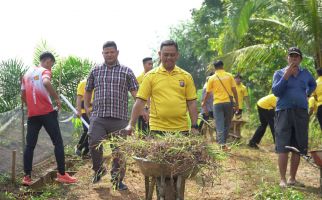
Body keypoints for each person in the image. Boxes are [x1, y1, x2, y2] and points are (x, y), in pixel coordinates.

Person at [84, 41, 138, 190]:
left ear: (117, 53)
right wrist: (86, 106)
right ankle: (98, 169)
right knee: (94, 142)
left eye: (111, 52)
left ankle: (117, 180)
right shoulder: (95, 71)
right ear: (102, 54)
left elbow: (135, 93)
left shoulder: (126, 71)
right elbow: (88, 90)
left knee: (119, 150)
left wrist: (144, 109)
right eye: (106, 52)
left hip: (119, 118)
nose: (109, 55)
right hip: (99, 116)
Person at [21, 52, 77, 186]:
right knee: (57, 142)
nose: (51, 68)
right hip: (46, 112)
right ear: (47, 61)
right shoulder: (44, 71)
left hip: (32, 115)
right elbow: (46, 82)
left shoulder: (26, 74)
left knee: (30, 145)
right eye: (51, 65)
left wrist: (31, 106)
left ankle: (27, 177)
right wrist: (57, 98)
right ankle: (62, 174)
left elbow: (23, 94)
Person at [125, 39, 199, 135]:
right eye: (166, 54)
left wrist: (194, 126)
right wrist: (131, 124)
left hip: (181, 129)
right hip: (157, 129)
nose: (169, 57)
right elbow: (140, 101)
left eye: (172, 55)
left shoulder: (186, 76)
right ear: (160, 54)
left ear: (177, 55)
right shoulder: (150, 76)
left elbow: (192, 103)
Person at [272, 47, 316, 187]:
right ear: (287, 58)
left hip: (301, 112)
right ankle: (283, 179)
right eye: (291, 56)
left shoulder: (306, 73)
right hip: (283, 111)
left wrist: (307, 94)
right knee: (283, 145)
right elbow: (276, 92)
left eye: (296, 56)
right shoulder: (279, 73)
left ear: (300, 59)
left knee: (298, 146)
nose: (294, 58)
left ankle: (292, 178)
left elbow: (313, 84)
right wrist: (286, 76)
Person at [202, 60, 239, 150]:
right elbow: (234, 91)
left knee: (219, 124)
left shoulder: (212, 78)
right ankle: (223, 144)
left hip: (217, 104)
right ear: (223, 66)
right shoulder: (229, 76)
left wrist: (204, 102)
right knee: (227, 124)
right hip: (228, 103)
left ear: (215, 68)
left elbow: (207, 92)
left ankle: (222, 144)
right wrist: (237, 103)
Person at [75, 79, 91, 158]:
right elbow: (79, 97)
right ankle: (79, 147)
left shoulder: (98, 82)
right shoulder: (83, 83)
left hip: (94, 111)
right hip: (84, 111)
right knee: (87, 129)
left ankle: (86, 151)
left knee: (94, 131)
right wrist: (78, 110)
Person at [136, 57, 153, 134]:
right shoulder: (138, 79)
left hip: (154, 111)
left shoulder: (155, 77)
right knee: (143, 134)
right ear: (144, 65)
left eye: (152, 64)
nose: (151, 66)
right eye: (149, 64)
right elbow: (137, 96)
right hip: (143, 110)